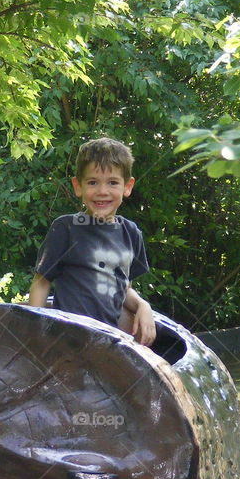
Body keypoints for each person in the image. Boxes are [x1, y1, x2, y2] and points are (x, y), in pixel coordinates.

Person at [28, 138, 156, 346]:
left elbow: (123, 289)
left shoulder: (131, 233)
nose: (102, 191)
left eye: (113, 182)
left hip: (109, 344)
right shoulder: (66, 228)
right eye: (93, 182)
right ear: (78, 186)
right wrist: (35, 334)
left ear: (127, 186)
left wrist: (143, 306)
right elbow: (41, 283)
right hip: (67, 339)